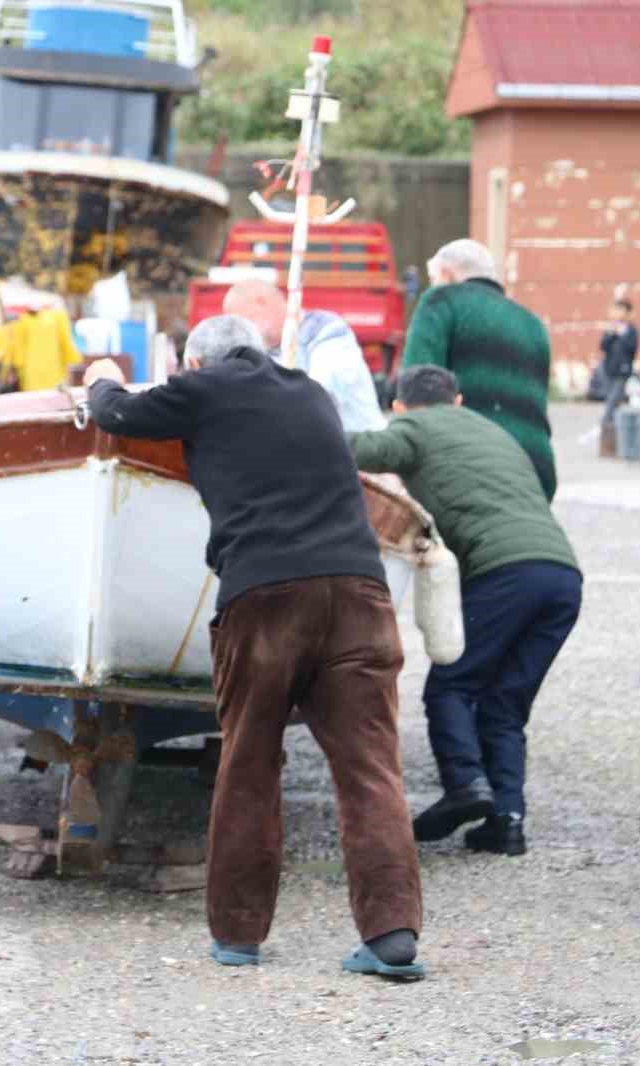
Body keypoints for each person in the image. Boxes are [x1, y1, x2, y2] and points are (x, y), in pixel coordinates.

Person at [83, 315, 425, 979]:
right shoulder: (310, 393)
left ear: (197, 361)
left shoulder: (205, 388)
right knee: (370, 769)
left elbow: (117, 413)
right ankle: (392, 937)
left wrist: (101, 379)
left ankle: (239, 935)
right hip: (360, 593)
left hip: (265, 597)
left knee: (249, 762)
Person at [347, 366, 583, 857]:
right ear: (457, 400)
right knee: (505, 704)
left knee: (451, 685)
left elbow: (353, 451)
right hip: (562, 576)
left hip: (505, 573)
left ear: (398, 406)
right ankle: (506, 821)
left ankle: (466, 785)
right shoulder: (489, 429)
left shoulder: (411, 428)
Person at [401, 239, 556, 501]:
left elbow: (419, 386)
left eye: (434, 278)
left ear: (447, 275)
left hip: (471, 466)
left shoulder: (442, 300)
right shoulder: (533, 324)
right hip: (535, 468)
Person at [222, 278, 387, 432]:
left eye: (244, 321)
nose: (242, 331)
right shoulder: (259, 352)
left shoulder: (327, 329)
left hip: (364, 450)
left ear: (261, 303)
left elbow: (319, 393)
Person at [598, 297, 639, 453]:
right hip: (609, 370)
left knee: (611, 405)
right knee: (612, 402)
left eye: (620, 310)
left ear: (628, 313)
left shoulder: (631, 330)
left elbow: (632, 348)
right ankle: (614, 439)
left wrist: (622, 334)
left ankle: (606, 439)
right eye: (615, 309)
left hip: (623, 372)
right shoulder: (611, 329)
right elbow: (603, 346)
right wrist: (611, 334)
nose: (616, 313)